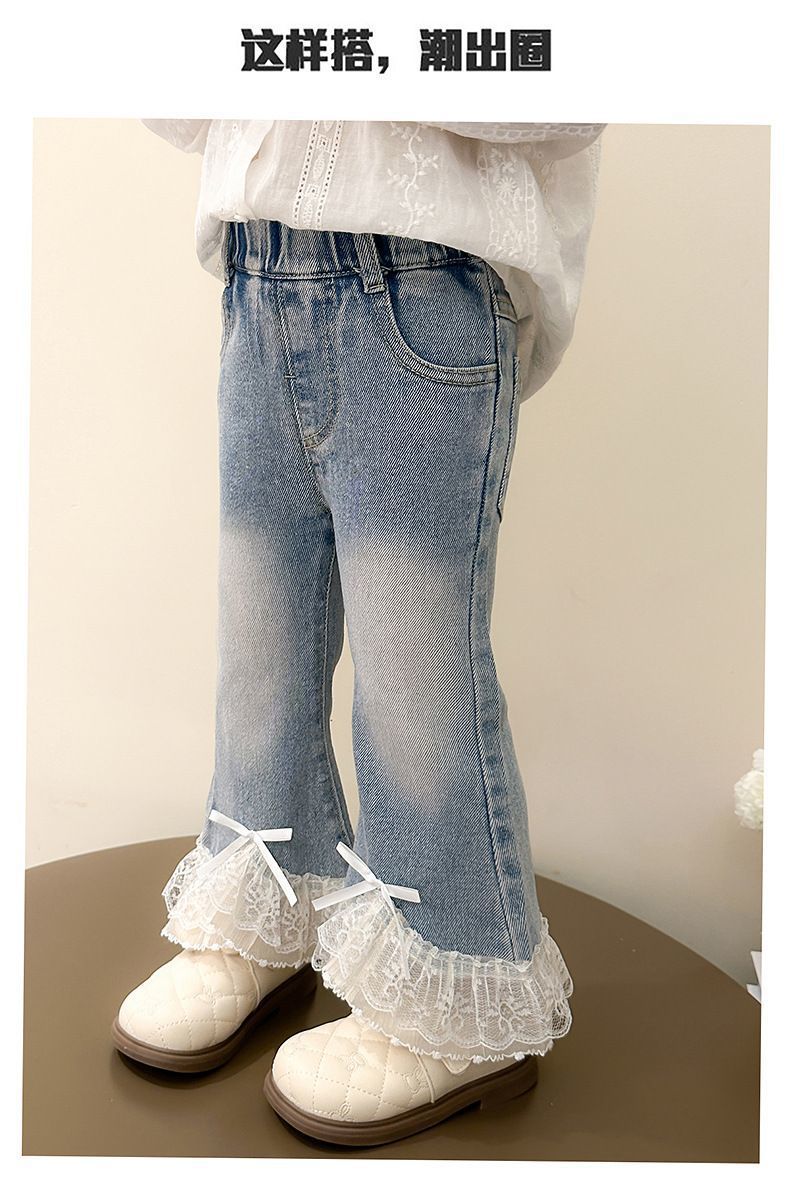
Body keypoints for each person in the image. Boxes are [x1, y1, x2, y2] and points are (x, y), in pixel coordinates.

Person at [112, 119, 605, 1146]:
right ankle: (266, 903)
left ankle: (457, 991)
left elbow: (564, 98)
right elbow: (176, 102)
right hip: (256, 275)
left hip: (422, 279)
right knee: (259, 643)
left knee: (414, 671)